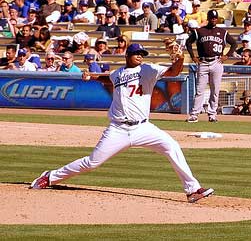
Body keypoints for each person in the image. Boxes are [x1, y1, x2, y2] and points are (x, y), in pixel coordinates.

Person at [30, 43, 214, 203]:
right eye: (137, 54)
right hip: (117, 129)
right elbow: (108, 77)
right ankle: (50, 177)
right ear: (127, 56)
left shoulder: (148, 70)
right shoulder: (117, 73)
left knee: (171, 146)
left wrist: (180, 58)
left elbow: (174, 71)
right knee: (92, 163)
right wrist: (92, 76)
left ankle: (192, 190)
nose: (140, 57)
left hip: (143, 128)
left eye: (142, 54)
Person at [185, 10, 238, 123]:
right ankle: (194, 114)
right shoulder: (199, 31)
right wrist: (193, 56)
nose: (213, 19)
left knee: (215, 90)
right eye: (212, 18)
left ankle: (212, 114)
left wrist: (227, 55)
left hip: (216, 62)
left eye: (215, 18)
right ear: (208, 19)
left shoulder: (222, 32)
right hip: (203, 62)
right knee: (199, 90)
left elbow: (234, 43)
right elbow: (188, 42)